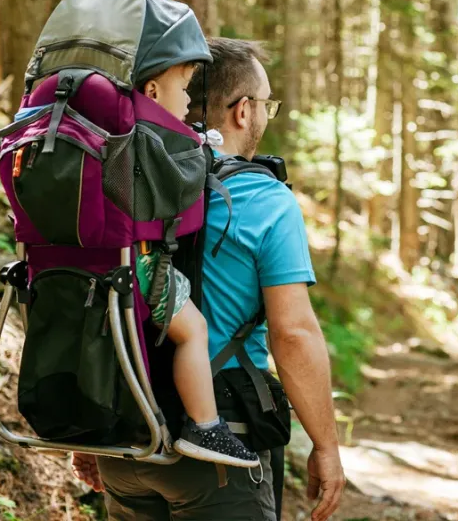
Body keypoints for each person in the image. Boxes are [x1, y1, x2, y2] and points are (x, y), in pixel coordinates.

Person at [73, 39, 346, 521]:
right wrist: (325, 444)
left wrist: (95, 430)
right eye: (266, 104)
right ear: (243, 110)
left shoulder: (129, 184)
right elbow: (293, 333)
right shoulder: (264, 200)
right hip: (220, 447)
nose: (265, 113)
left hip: (130, 432)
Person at [134, 60, 260, 469]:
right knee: (194, 331)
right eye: (185, 89)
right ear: (153, 91)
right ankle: (205, 426)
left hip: (106, 270)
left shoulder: (119, 132)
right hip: (144, 266)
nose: (190, 101)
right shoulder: (157, 137)